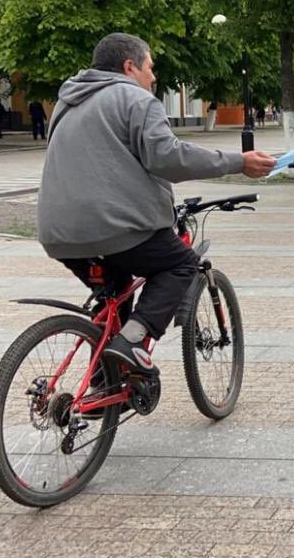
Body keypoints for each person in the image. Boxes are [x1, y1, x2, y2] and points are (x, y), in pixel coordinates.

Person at [37, 33, 276, 375]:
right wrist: (239, 162)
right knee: (181, 265)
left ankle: (106, 384)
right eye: (150, 67)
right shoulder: (136, 99)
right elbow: (169, 158)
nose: (154, 76)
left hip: (58, 233)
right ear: (129, 66)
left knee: (115, 293)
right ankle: (133, 342)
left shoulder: (67, 101)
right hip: (114, 227)